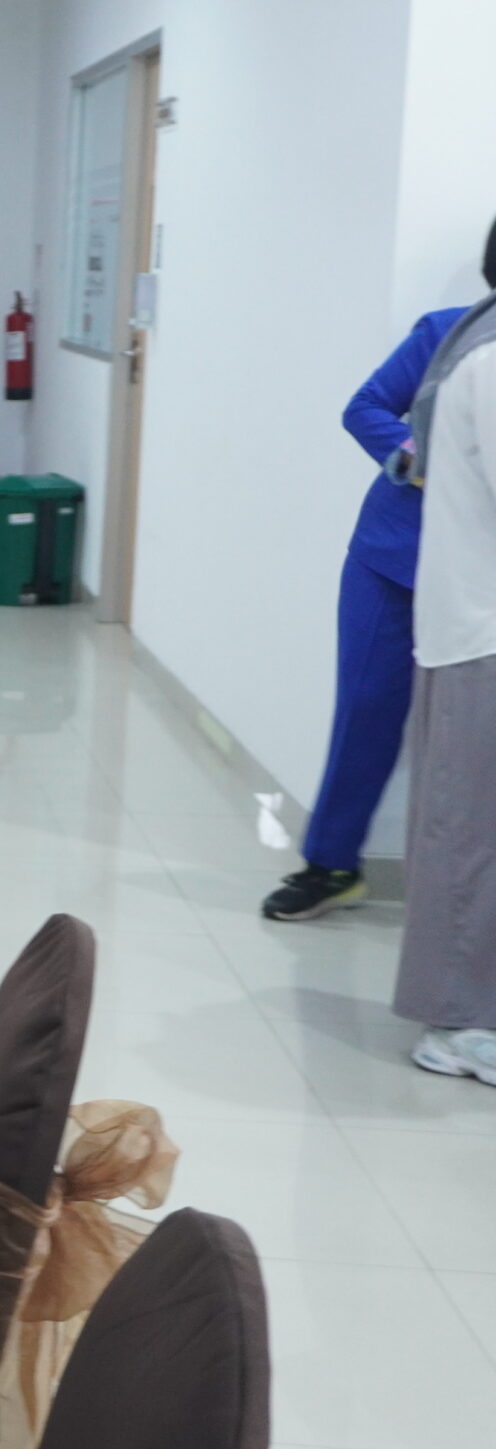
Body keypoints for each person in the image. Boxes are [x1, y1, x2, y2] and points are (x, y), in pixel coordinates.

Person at [263, 222, 496, 920]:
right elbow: (365, 407)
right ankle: (331, 863)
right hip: (395, 558)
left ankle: (454, 901)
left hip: (480, 581)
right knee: (365, 710)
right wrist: (413, 456)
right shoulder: (447, 334)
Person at [395, 279, 496, 1085]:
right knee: (469, 830)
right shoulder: (491, 364)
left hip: (476, 629)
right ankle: (457, 1024)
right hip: (481, 633)